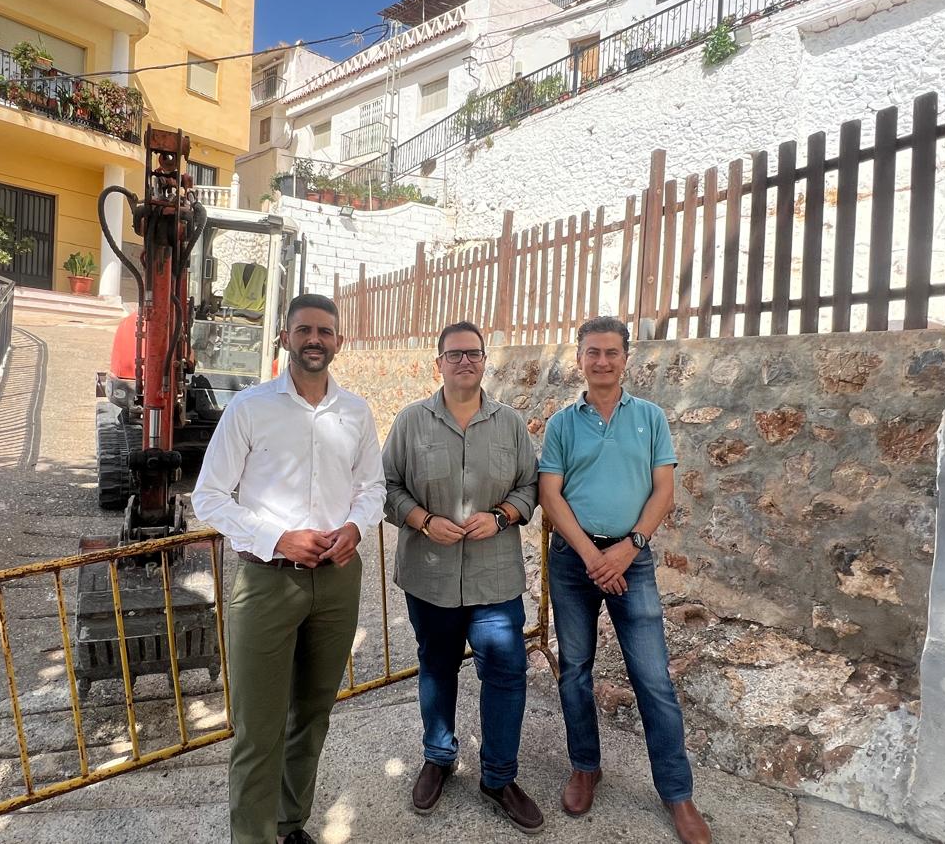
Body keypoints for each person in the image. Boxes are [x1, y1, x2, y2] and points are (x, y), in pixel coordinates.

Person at [192, 293, 385, 844]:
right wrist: (277, 538)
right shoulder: (250, 408)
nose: (315, 340)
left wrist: (354, 528)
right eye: (304, 330)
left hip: (337, 581)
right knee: (258, 727)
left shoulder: (356, 412)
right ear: (284, 338)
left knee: (313, 713)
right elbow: (209, 497)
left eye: (325, 331)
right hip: (267, 582)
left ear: (339, 342)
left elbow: (371, 487)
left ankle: (290, 821)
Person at [537, 316, 713, 844]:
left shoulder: (651, 418)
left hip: (630, 559)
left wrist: (627, 548)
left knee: (653, 679)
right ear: (580, 359)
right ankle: (585, 767)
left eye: (612, 352)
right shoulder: (563, 423)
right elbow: (550, 494)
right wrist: (594, 556)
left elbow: (663, 492)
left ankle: (677, 794)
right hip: (574, 560)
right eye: (592, 352)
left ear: (626, 358)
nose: (602, 362)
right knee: (575, 671)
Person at [381, 321, 543, 834]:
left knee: (505, 674)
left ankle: (498, 776)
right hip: (429, 575)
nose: (464, 362)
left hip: (494, 579)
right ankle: (439, 757)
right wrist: (424, 521)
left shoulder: (511, 424)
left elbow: (530, 487)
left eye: (473, 353)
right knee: (437, 666)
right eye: (454, 355)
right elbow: (386, 488)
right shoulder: (410, 422)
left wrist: (499, 517)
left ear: (484, 360)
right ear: (439, 364)